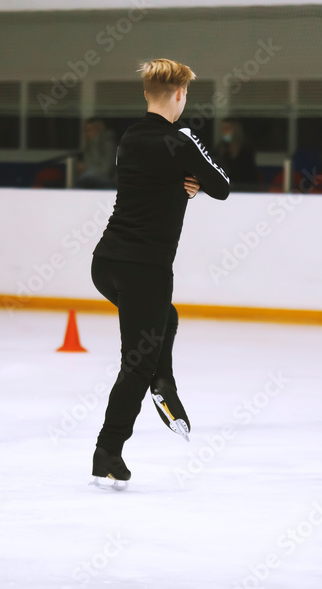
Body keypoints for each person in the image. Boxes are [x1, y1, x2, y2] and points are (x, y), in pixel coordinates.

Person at [89, 58, 230, 489]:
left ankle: (163, 381)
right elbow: (222, 185)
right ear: (181, 96)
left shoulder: (129, 137)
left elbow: (150, 178)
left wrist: (184, 181)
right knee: (136, 363)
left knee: (163, 320)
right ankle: (108, 451)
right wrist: (196, 181)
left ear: (146, 95)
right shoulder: (183, 140)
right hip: (145, 269)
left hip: (106, 263)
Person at [213, 119, 257, 188]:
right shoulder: (221, 147)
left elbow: (249, 173)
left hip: (244, 188)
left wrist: (235, 155)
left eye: (227, 128)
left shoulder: (246, 148)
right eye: (222, 128)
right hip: (225, 187)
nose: (224, 131)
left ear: (236, 129)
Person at [76, 118, 117, 189]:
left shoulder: (108, 145)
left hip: (108, 186)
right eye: (84, 131)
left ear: (98, 130)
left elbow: (106, 170)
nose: (86, 134)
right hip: (95, 184)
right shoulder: (89, 146)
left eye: (89, 130)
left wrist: (85, 168)